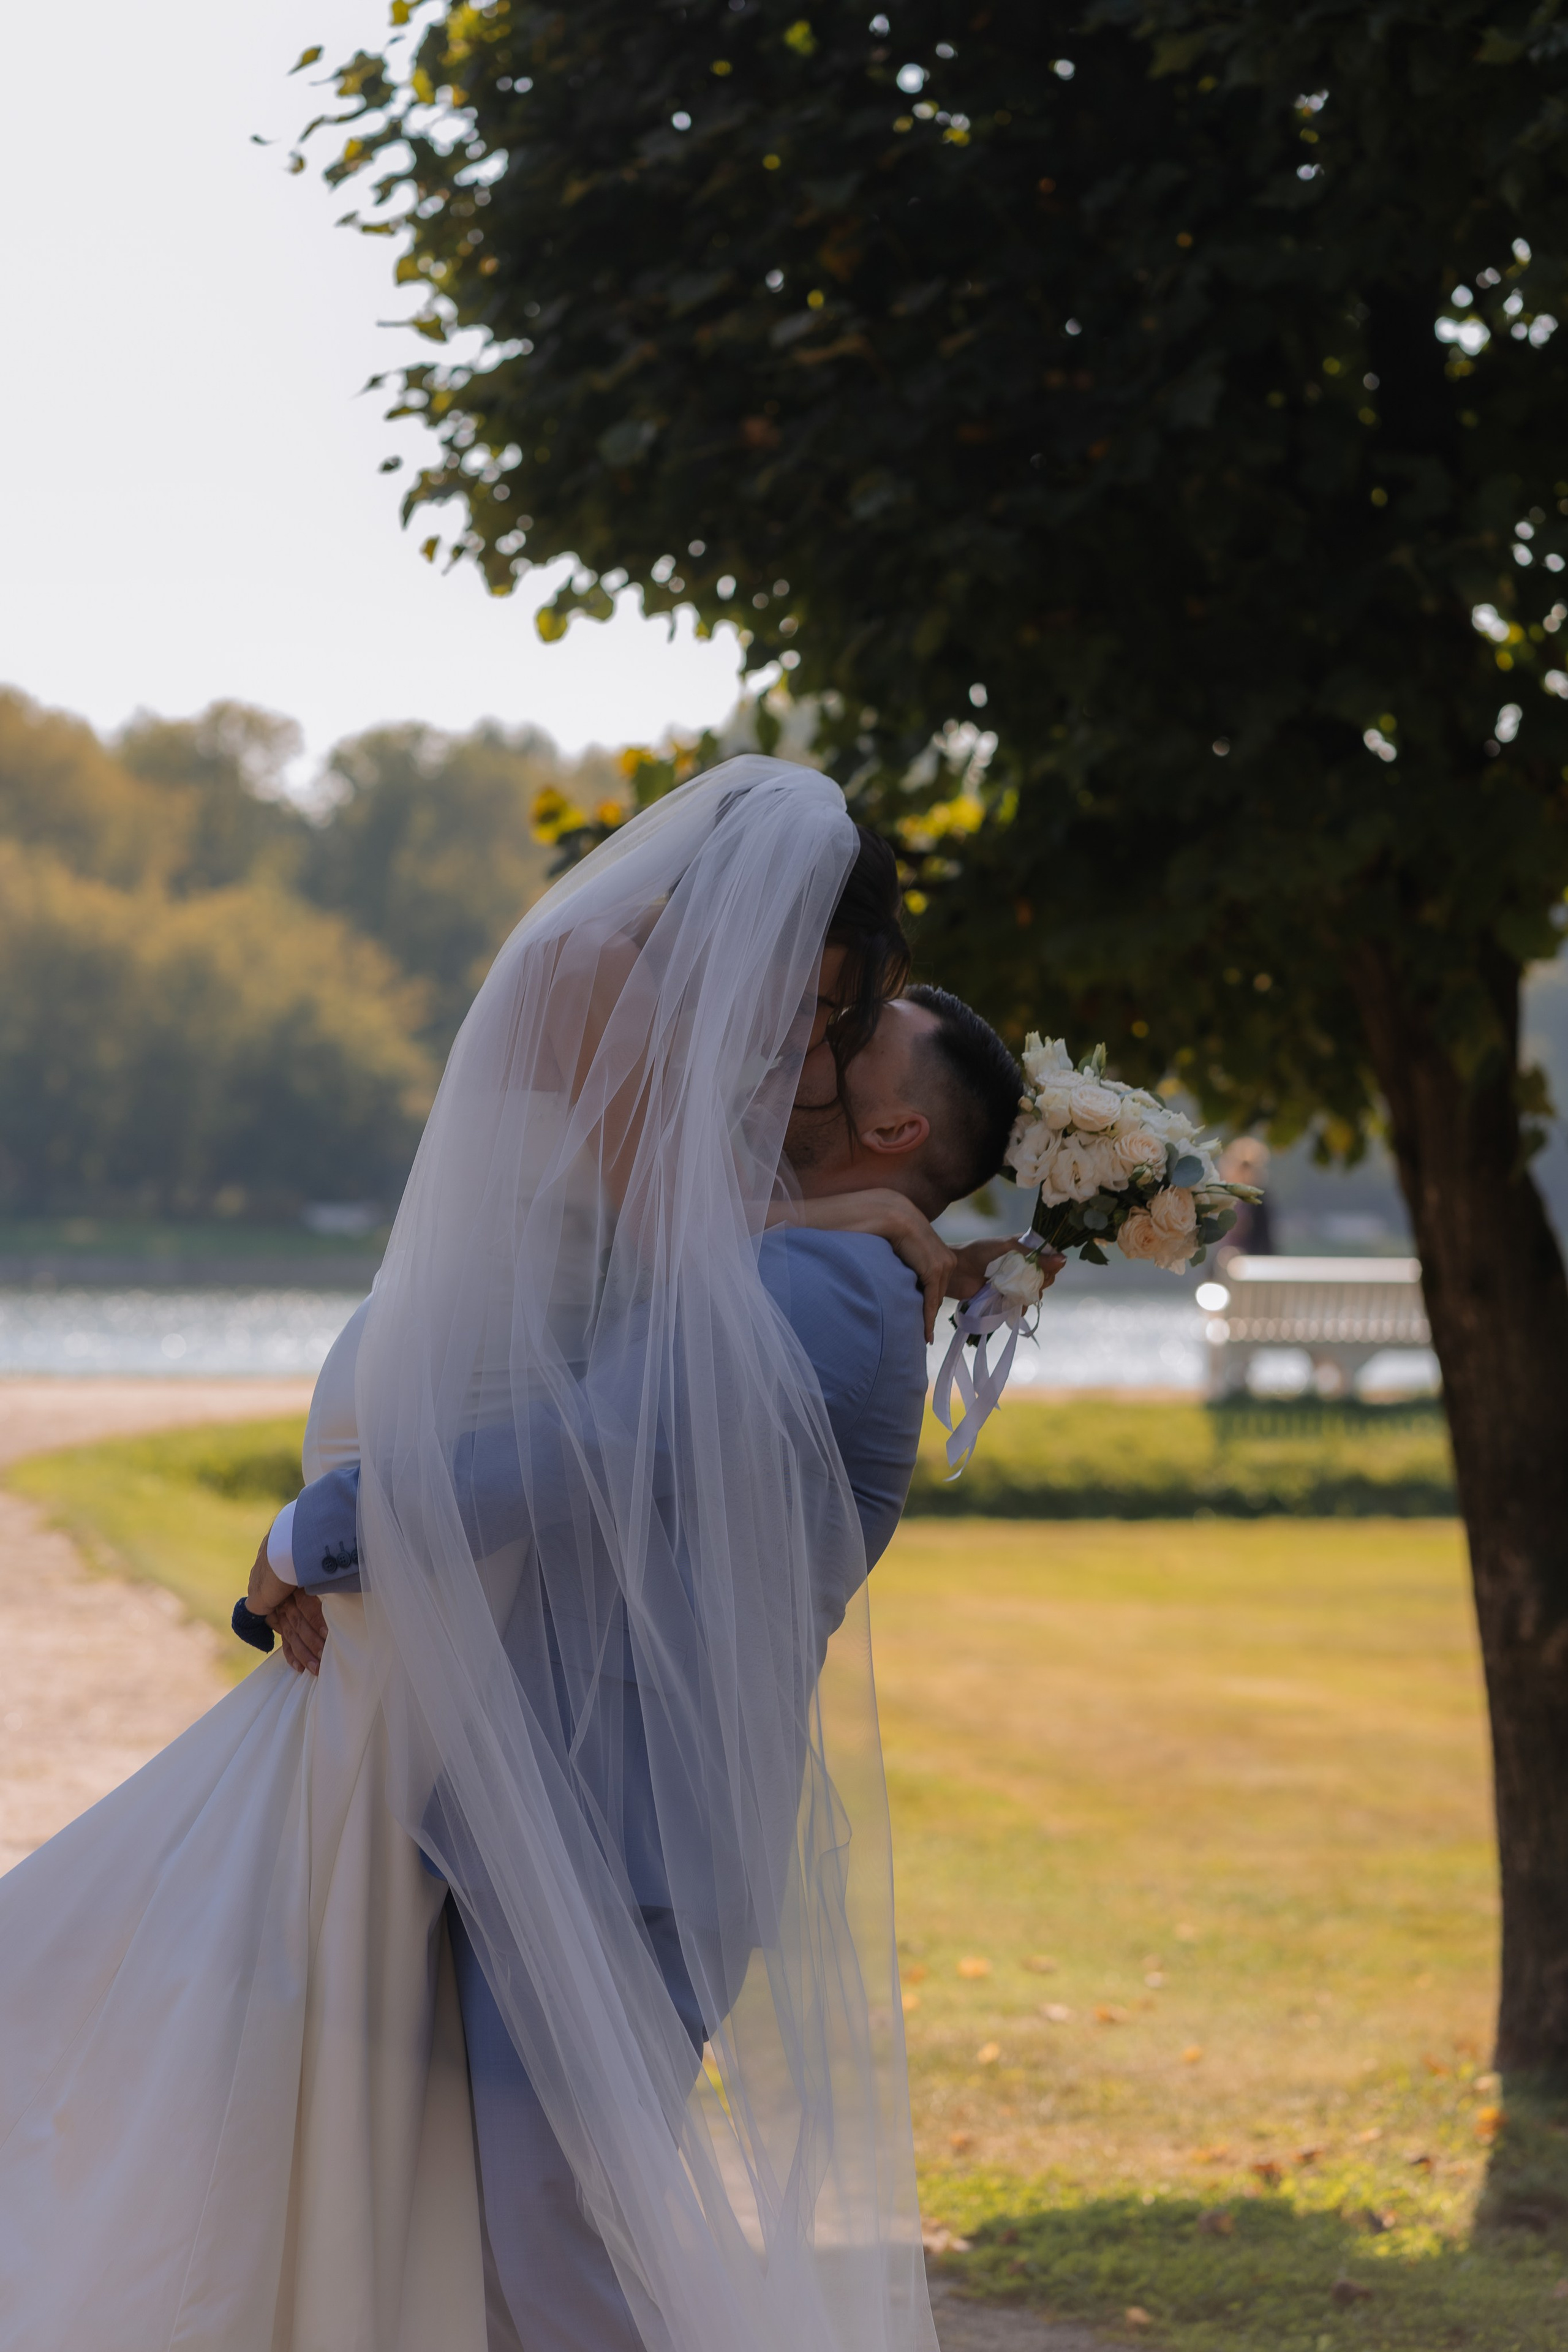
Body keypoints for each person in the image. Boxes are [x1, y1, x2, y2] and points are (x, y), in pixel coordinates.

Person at [0, 758, 1047, 2352]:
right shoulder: (591, 983)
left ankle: (336, 2283)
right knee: (348, 1918)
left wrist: (865, 1225)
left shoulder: (751, 1120)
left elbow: (691, 1276)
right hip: (455, 1417)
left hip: (486, 1466)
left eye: (832, 1022)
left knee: (352, 1938)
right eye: (814, 1000)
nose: (801, 1045)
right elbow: (679, 1255)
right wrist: (870, 1222)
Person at [250, 982, 1038, 2352]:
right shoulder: (828, 1259)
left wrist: (316, 1532)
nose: (814, 1050)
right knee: (512, 2234)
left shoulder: (827, 1288)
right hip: (589, 1805)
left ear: (897, 1120)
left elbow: (581, 1453)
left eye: (854, 1045)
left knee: (557, 2243)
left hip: (631, 1828)